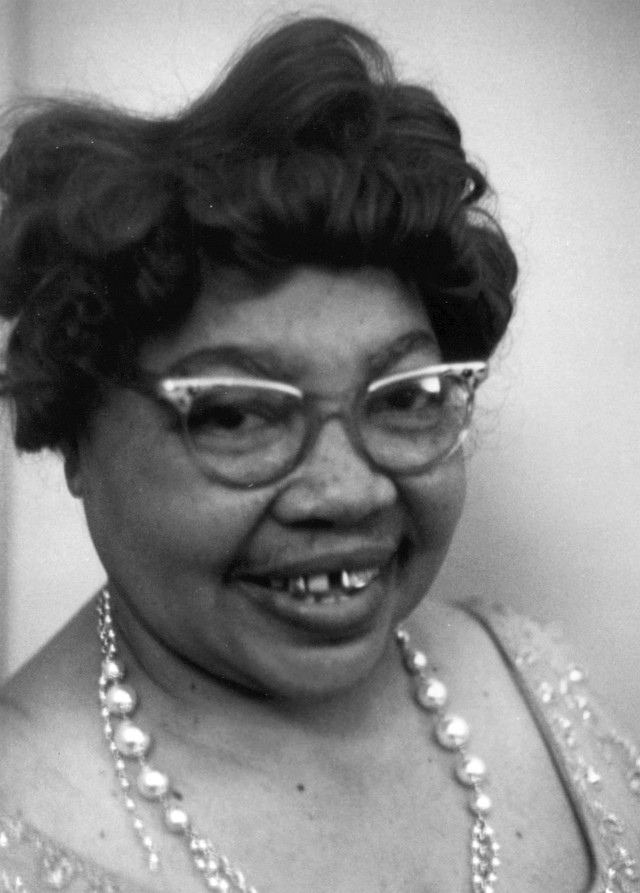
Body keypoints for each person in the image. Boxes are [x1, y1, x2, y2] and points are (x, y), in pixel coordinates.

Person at [0, 14, 637, 893]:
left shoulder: (535, 679)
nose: (348, 491)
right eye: (235, 414)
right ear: (74, 432)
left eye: (404, 397)